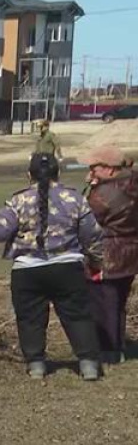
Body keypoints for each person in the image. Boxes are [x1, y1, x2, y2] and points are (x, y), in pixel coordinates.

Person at [0, 153, 103, 380]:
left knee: (30, 318)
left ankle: (36, 365)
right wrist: (95, 261)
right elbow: (93, 235)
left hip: (27, 271)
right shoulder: (75, 199)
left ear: (28, 175)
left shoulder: (18, 201)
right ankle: (88, 364)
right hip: (67, 268)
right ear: (58, 173)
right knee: (77, 315)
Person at [82, 145, 138, 365]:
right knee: (118, 301)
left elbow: (86, 219)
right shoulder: (132, 184)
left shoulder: (105, 194)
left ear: (110, 169)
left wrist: (90, 190)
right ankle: (118, 346)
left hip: (107, 255)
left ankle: (109, 351)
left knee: (103, 303)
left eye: (94, 168)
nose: (90, 172)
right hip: (131, 253)